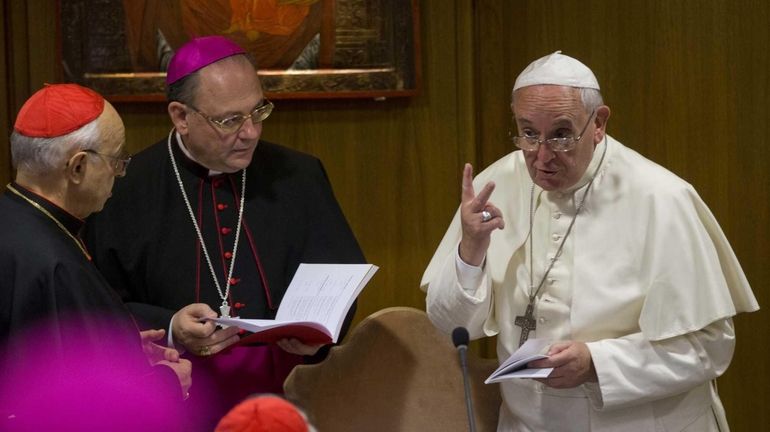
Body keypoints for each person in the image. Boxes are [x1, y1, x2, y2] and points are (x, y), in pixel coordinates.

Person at [421, 52, 759, 431]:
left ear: (598, 124)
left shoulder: (661, 197)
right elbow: (449, 326)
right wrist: (471, 250)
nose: (542, 156)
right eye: (528, 133)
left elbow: (710, 347)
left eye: (561, 134)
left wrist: (597, 363)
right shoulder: (494, 186)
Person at [84, 35, 365, 427]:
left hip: (288, 396)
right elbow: (98, 304)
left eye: (258, 111)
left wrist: (320, 334)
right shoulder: (127, 189)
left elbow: (341, 276)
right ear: (181, 116)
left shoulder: (300, 175)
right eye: (229, 120)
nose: (250, 132)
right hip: (173, 402)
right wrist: (170, 327)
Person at [0, 83, 192, 430]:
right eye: (117, 159)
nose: (120, 172)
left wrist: (121, 343)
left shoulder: (15, 221)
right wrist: (164, 383)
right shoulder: (55, 264)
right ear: (77, 169)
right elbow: (68, 411)